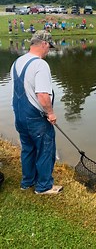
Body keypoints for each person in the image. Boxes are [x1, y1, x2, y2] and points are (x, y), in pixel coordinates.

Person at [10, 30, 63, 195]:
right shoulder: (40, 64)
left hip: (20, 116)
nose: (49, 51)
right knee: (45, 149)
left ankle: (27, 182)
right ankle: (44, 186)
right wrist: (51, 113)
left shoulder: (18, 62)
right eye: (49, 47)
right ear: (44, 44)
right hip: (36, 119)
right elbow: (42, 95)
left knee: (28, 149)